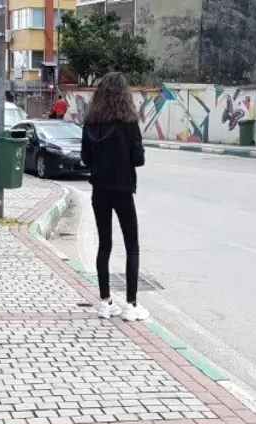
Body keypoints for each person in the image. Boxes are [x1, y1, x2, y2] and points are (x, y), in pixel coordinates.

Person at [81, 72, 147, 322]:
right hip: (123, 191)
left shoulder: (90, 123)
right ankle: (131, 305)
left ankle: (106, 302)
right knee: (132, 247)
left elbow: (85, 159)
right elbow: (138, 159)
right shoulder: (129, 123)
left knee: (104, 245)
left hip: (99, 191)